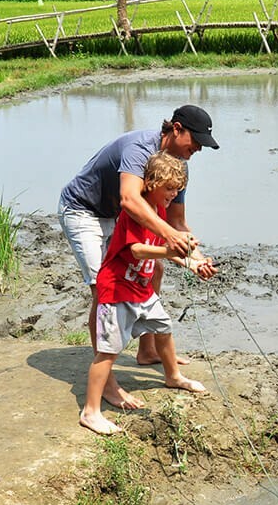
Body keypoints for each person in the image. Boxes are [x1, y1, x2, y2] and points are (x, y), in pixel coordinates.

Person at [59, 104, 219, 411]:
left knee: (154, 271)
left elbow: (176, 222)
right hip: (84, 210)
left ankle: (148, 351)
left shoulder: (176, 167)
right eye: (196, 140)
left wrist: (197, 260)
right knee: (102, 289)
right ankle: (107, 384)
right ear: (176, 129)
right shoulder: (140, 148)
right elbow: (130, 199)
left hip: (119, 215)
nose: (198, 148)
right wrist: (170, 241)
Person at [80, 152, 214, 435]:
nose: (174, 194)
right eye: (169, 188)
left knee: (163, 328)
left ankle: (173, 376)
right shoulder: (135, 213)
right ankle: (90, 411)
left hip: (141, 290)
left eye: (178, 189)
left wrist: (193, 263)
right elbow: (138, 250)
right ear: (151, 183)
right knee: (108, 352)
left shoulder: (160, 212)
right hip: (116, 290)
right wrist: (169, 249)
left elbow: (167, 249)